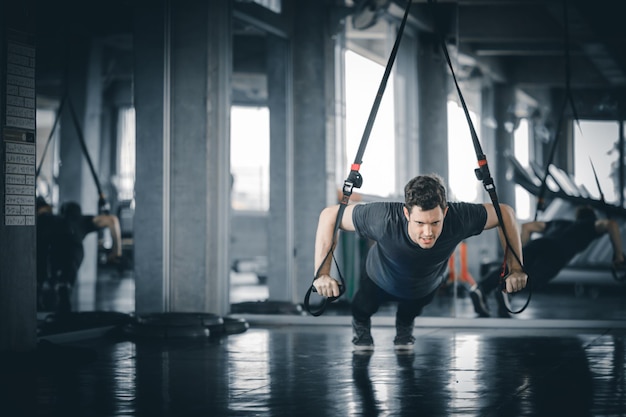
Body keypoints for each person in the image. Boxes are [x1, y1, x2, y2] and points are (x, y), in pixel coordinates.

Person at [312, 174, 528, 351]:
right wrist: (322, 273)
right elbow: (330, 215)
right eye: (420, 223)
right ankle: (361, 326)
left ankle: (404, 325)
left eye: (435, 222)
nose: (428, 232)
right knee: (363, 307)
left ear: (445, 212)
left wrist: (516, 268)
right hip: (379, 276)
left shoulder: (459, 217)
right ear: (406, 213)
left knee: (412, 309)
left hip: (424, 283)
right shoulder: (382, 218)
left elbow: (505, 213)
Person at [470, 205, 626, 318]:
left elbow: (528, 227)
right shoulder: (590, 225)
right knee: (537, 278)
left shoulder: (561, 223)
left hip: (538, 244)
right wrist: (618, 255)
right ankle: (506, 291)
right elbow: (611, 225)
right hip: (558, 252)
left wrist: (520, 255)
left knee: (514, 270)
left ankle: (481, 287)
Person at [36, 198, 123, 313]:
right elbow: (113, 220)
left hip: (56, 252)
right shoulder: (82, 220)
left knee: (53, 285)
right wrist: (117, 251)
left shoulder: (52, 219)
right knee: (64, 286)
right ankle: (61, 293)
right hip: (74, 252)